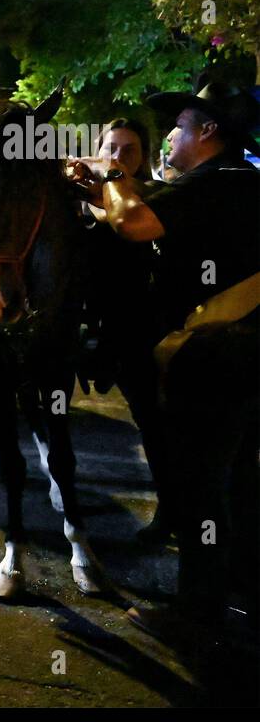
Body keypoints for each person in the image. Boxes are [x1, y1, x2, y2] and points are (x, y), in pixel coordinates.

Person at [68, 81, 260, 658]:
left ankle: (198, 614)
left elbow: (134, 224)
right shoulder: (243, 181)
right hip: (246, 349)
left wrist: (107, 174)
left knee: (200, 486)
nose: (171, 135)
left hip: (212, 355)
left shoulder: (209, 183)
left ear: (207, 133)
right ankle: (243, 584)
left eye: (179, 125)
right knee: (240, 478)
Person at [74, 119, 175, 543]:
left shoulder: (153, 198)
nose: (117, 157)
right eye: (110, 148)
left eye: (128, 150)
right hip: (90, 328)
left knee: (155, 424)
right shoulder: (78, 200)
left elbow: (123, 221)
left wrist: (101, 193)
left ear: (145, 158)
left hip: (141, 329)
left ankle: (174, 510)